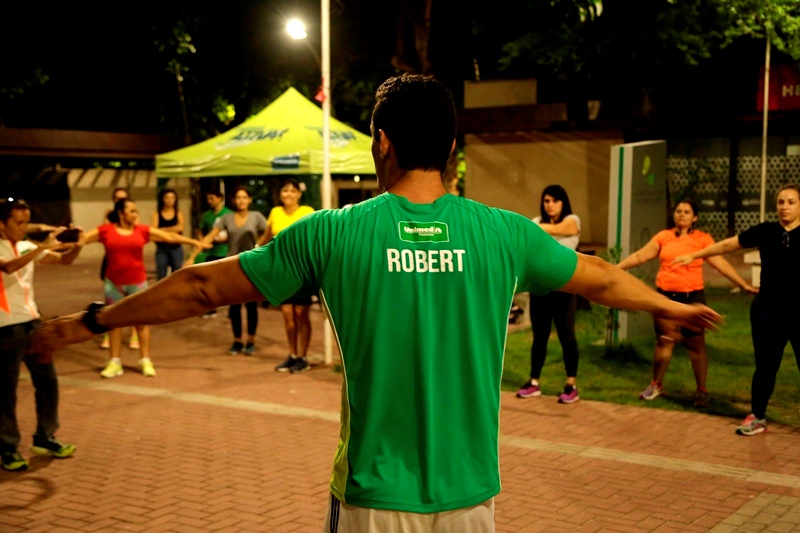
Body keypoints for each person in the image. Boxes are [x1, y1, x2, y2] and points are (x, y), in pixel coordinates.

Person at [29, 75, 721, 531]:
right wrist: (673, 304)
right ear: (453, 147)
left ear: (381, 144)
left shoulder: (333, 233)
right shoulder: (507, 234)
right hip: (472, 501)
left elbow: (202, 284)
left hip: (370, 503)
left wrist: (89, 320)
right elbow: (598, 276)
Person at [673, 184, 799, 435]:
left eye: (791, 202)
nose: (784, 206)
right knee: (765, 367)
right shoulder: (766, 231)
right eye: (781, 202)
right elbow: (728, 245)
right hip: (767, 313)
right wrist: (696, 255)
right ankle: (758, 417)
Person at [618, 199, 758, 407]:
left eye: (686, 212)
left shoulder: (702, 240)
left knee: (696, 344)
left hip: (692, 297)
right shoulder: (663, 237)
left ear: (695, 217)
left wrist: (743, 285)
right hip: (665, 297)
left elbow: (720, 263)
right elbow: (641, 256)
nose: (681, 214)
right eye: (678, 211)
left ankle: (701, 390)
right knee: (665, 340)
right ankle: (656, 384)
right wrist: (617, 268)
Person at [82, 198, 208, 378]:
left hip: (138, 283)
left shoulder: (142, 231)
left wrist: (194, 243)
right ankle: (114, 362)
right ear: (121, 213)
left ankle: (145, 360)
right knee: (112, 323)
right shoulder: (105, 231)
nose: (135, 214)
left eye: (136, 211)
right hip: (113, 285)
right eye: (132, 211)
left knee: (142, 324)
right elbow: (82, 239)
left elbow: (170, 236)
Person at [0, 198, 82, 471]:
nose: (23, 228)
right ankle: (8, 448)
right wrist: (42, 248)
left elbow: (63, 261)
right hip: (4, 328)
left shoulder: (26, 246)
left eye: (26, 222)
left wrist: (77, 246)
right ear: (2, 223)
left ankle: (45, 437)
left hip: (33, 323)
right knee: (5, 392)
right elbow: (8, 267)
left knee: (48, 382)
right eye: (18, 223)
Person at [517, 185, 582, 404]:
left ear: (563, 203)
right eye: (546, 201)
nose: (550, 205)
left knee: (567, 336)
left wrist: (537, 229)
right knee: (540, 337)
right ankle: (534, 382)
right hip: (541, 289)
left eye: (555, 201)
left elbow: (566, 229)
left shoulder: (573, 219)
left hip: (564, 288)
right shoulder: (536, 221)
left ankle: (571, 385)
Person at [199, 186, 269, 356]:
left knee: (251, 306)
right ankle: (237, 341)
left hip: (252, 265)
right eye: (238, 198)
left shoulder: (257, 217)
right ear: (233, 200)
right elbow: (211, 234)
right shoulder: (227, 217)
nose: (241, 201)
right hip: (233, 266)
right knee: (234, 307)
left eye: (245, 197)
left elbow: (268, 232)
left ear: (250, 200)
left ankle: (251, 340)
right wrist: (196, 249)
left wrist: (259, 246)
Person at [267, 179, 316, 373]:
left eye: (293, 191)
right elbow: (267, 237)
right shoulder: (275, 213)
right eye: (285, 190)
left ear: (299, 194)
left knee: (301, 314)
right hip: (282, 271)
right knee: (287, 315)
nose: (289, 194)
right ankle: (292, 354)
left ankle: (303, 357)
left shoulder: (307, 211)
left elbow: (315, 237)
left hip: (303, 270)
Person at [101, 187, 139, 350]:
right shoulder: (109, 214)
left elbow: (134, 230)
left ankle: (134, 333)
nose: (119, 200)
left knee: (134, 300)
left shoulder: (132, 214)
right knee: (111, 297)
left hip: (130, 257)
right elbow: (105, 232)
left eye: (122, 198)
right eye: (117, 198)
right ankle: (108, 331)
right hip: (112, 257)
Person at [193, 188, 232, 318]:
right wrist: (201, 241)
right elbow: (200, 230)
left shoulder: (229, 214)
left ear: (220, 198)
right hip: (210, 251)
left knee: (227, 282)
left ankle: (233, 308)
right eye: (208, 199)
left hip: (225, 252)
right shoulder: (206, 215)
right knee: (211, 281)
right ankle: (211, 307)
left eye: (212, 198)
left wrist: (224, 239)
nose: (209, 201)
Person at [150, 188, 185, 281]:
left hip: (176, 248)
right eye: (167, 198)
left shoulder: (178, 213)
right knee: (161, 276)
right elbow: (154, 231)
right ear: (162, 199)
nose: (169, 200)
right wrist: (173, 230)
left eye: (172, 198)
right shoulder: (157, 214)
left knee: (178, 274)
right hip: (162, 248)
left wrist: (163, 230)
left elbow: (180, 228)